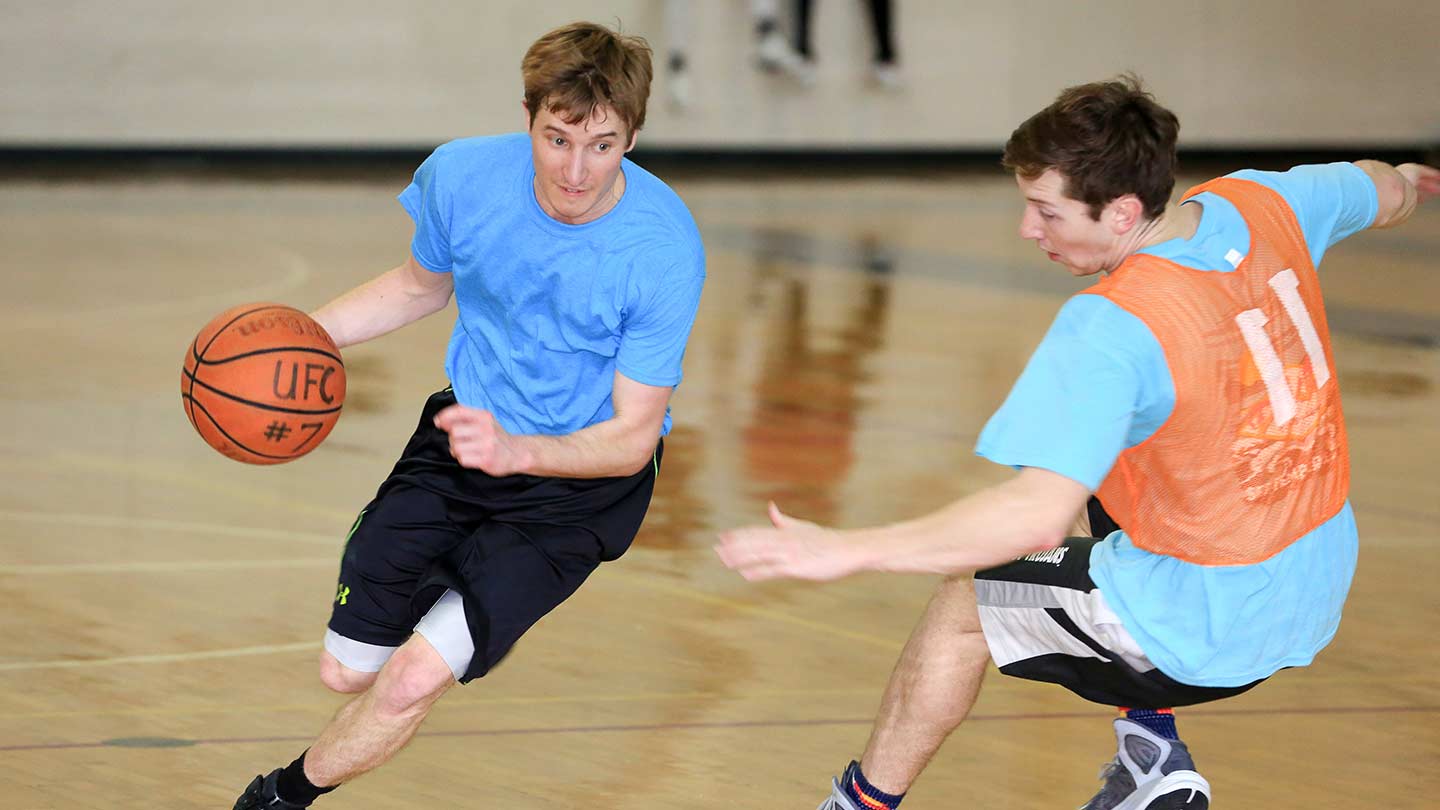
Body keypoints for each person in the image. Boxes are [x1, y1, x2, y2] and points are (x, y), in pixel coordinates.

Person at [716, 75, 1439, 810]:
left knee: (970, 595)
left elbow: (1031, 516)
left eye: (1045, 210)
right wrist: (1414, 181)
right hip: (1313, 584)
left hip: (1211, 628)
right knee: (1115, 463)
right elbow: (1386, 186)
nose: (1029, 229)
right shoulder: (1265, 201)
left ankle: (859, 805)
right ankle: (1151, 758)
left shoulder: (1112, 324)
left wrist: (849, 549)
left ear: (1123, 210)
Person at [232, 21, 706, 809]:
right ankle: (467, 610)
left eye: (603, 146)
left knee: (412, 677)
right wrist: (294, 340)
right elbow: (421, 286)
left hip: (574, 490)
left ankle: (281, 796)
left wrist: (520, 452)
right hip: (458, 444)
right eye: (557, 139)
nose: (577, 171)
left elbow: (629, 440)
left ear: (632, 136)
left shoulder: (661, 250)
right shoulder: (462, 176)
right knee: (347, 671)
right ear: (527, 115)